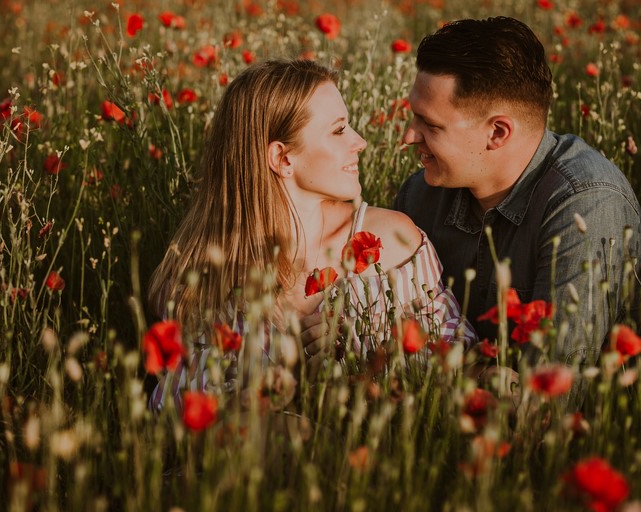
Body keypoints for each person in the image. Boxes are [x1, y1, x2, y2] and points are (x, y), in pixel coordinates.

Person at [148, 59, 475, 411]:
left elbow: (461, 357)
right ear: (282, 158)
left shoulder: (390, 243)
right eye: (338, 131)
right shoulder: (206, 278)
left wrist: (365, 355)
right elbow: (172, 411)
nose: (360, 142)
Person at [393, 17, 641, 371]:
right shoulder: (420, 196)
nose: (409, 136)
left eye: (431, 125)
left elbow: (552, 391)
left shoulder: (586, 205)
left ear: (497, 132)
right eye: (413, 117)